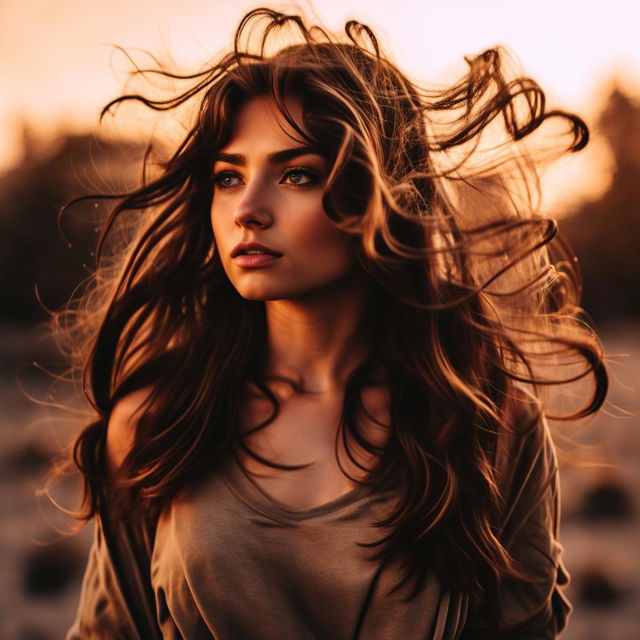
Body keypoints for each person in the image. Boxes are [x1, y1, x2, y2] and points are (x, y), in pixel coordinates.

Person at [60, 7, 608, 639]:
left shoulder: (489, 422)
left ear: (381, 193)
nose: (247, 209)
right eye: (228, 177)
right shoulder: (160, 420)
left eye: (296, 174)